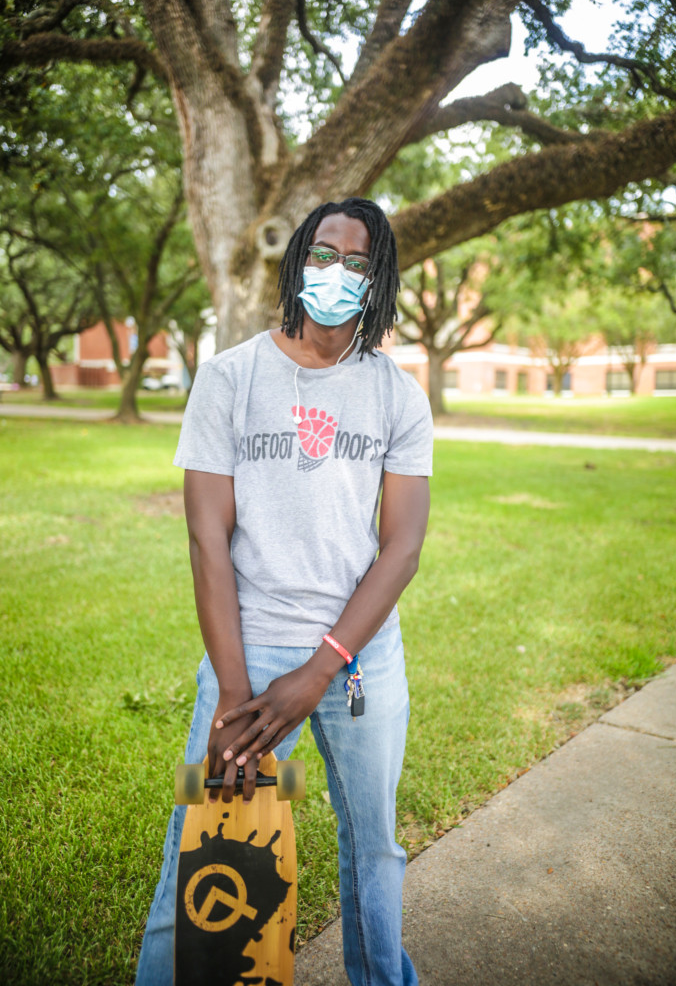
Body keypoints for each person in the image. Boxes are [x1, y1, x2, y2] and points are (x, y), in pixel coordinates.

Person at [135, 197, 433, 986]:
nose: (335, 273)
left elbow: (401, 548)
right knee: (204, 836)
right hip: (251, 654)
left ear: (377, 281)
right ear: (298, 258)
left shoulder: (396, 394)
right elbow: (206, 537)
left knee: (373, 846)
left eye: (356, 262)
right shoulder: (230, 377)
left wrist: (322, 667)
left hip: (361, 661)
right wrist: (236, 688)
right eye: (322, 254)